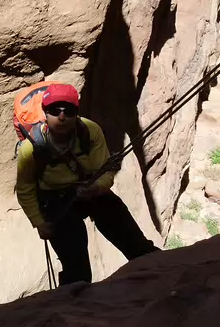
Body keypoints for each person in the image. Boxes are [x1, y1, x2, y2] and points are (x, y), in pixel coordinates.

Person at [15, 83, 159, 286]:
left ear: (77, 113)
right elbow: (25, 189)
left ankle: (153, 266)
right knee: (76, 268)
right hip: (56, 200)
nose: (62, 117)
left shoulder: (90, 132)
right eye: (55, 111)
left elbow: (106, 169)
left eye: (69, 111)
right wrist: (39, 222)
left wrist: (97, 188)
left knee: (126, 229)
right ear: (45, 113)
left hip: (88, 189)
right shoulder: (31, 148)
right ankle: (74, 296)